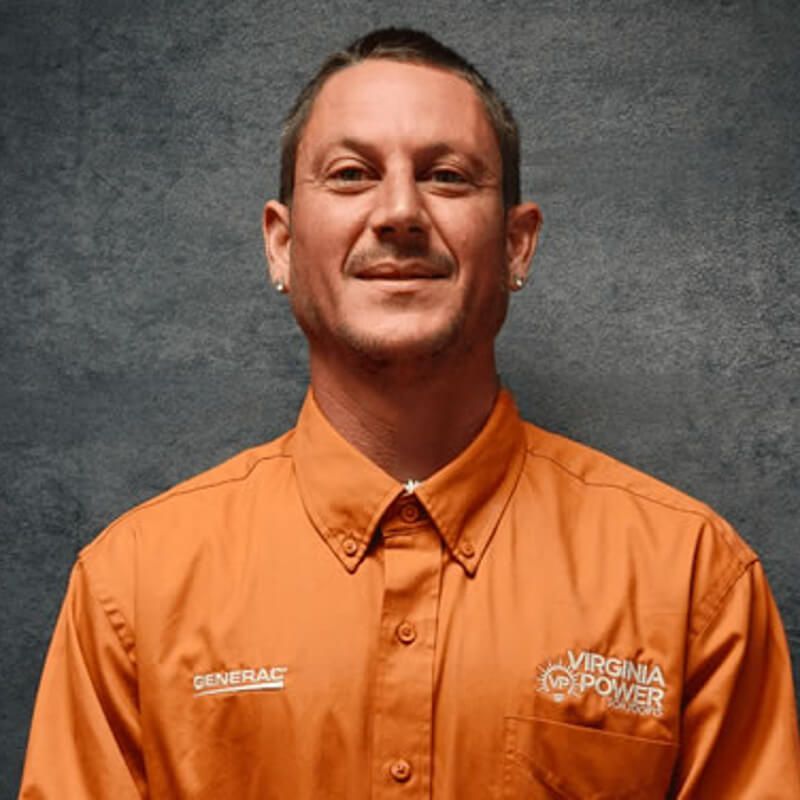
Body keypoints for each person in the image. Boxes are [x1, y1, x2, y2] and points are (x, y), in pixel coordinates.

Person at [19, 27, 800, 799]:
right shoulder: (132, 588)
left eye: (449, 177)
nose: (400, 212)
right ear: (281, 246)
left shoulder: (692, 580)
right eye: (353, 174)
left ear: (518, 245)